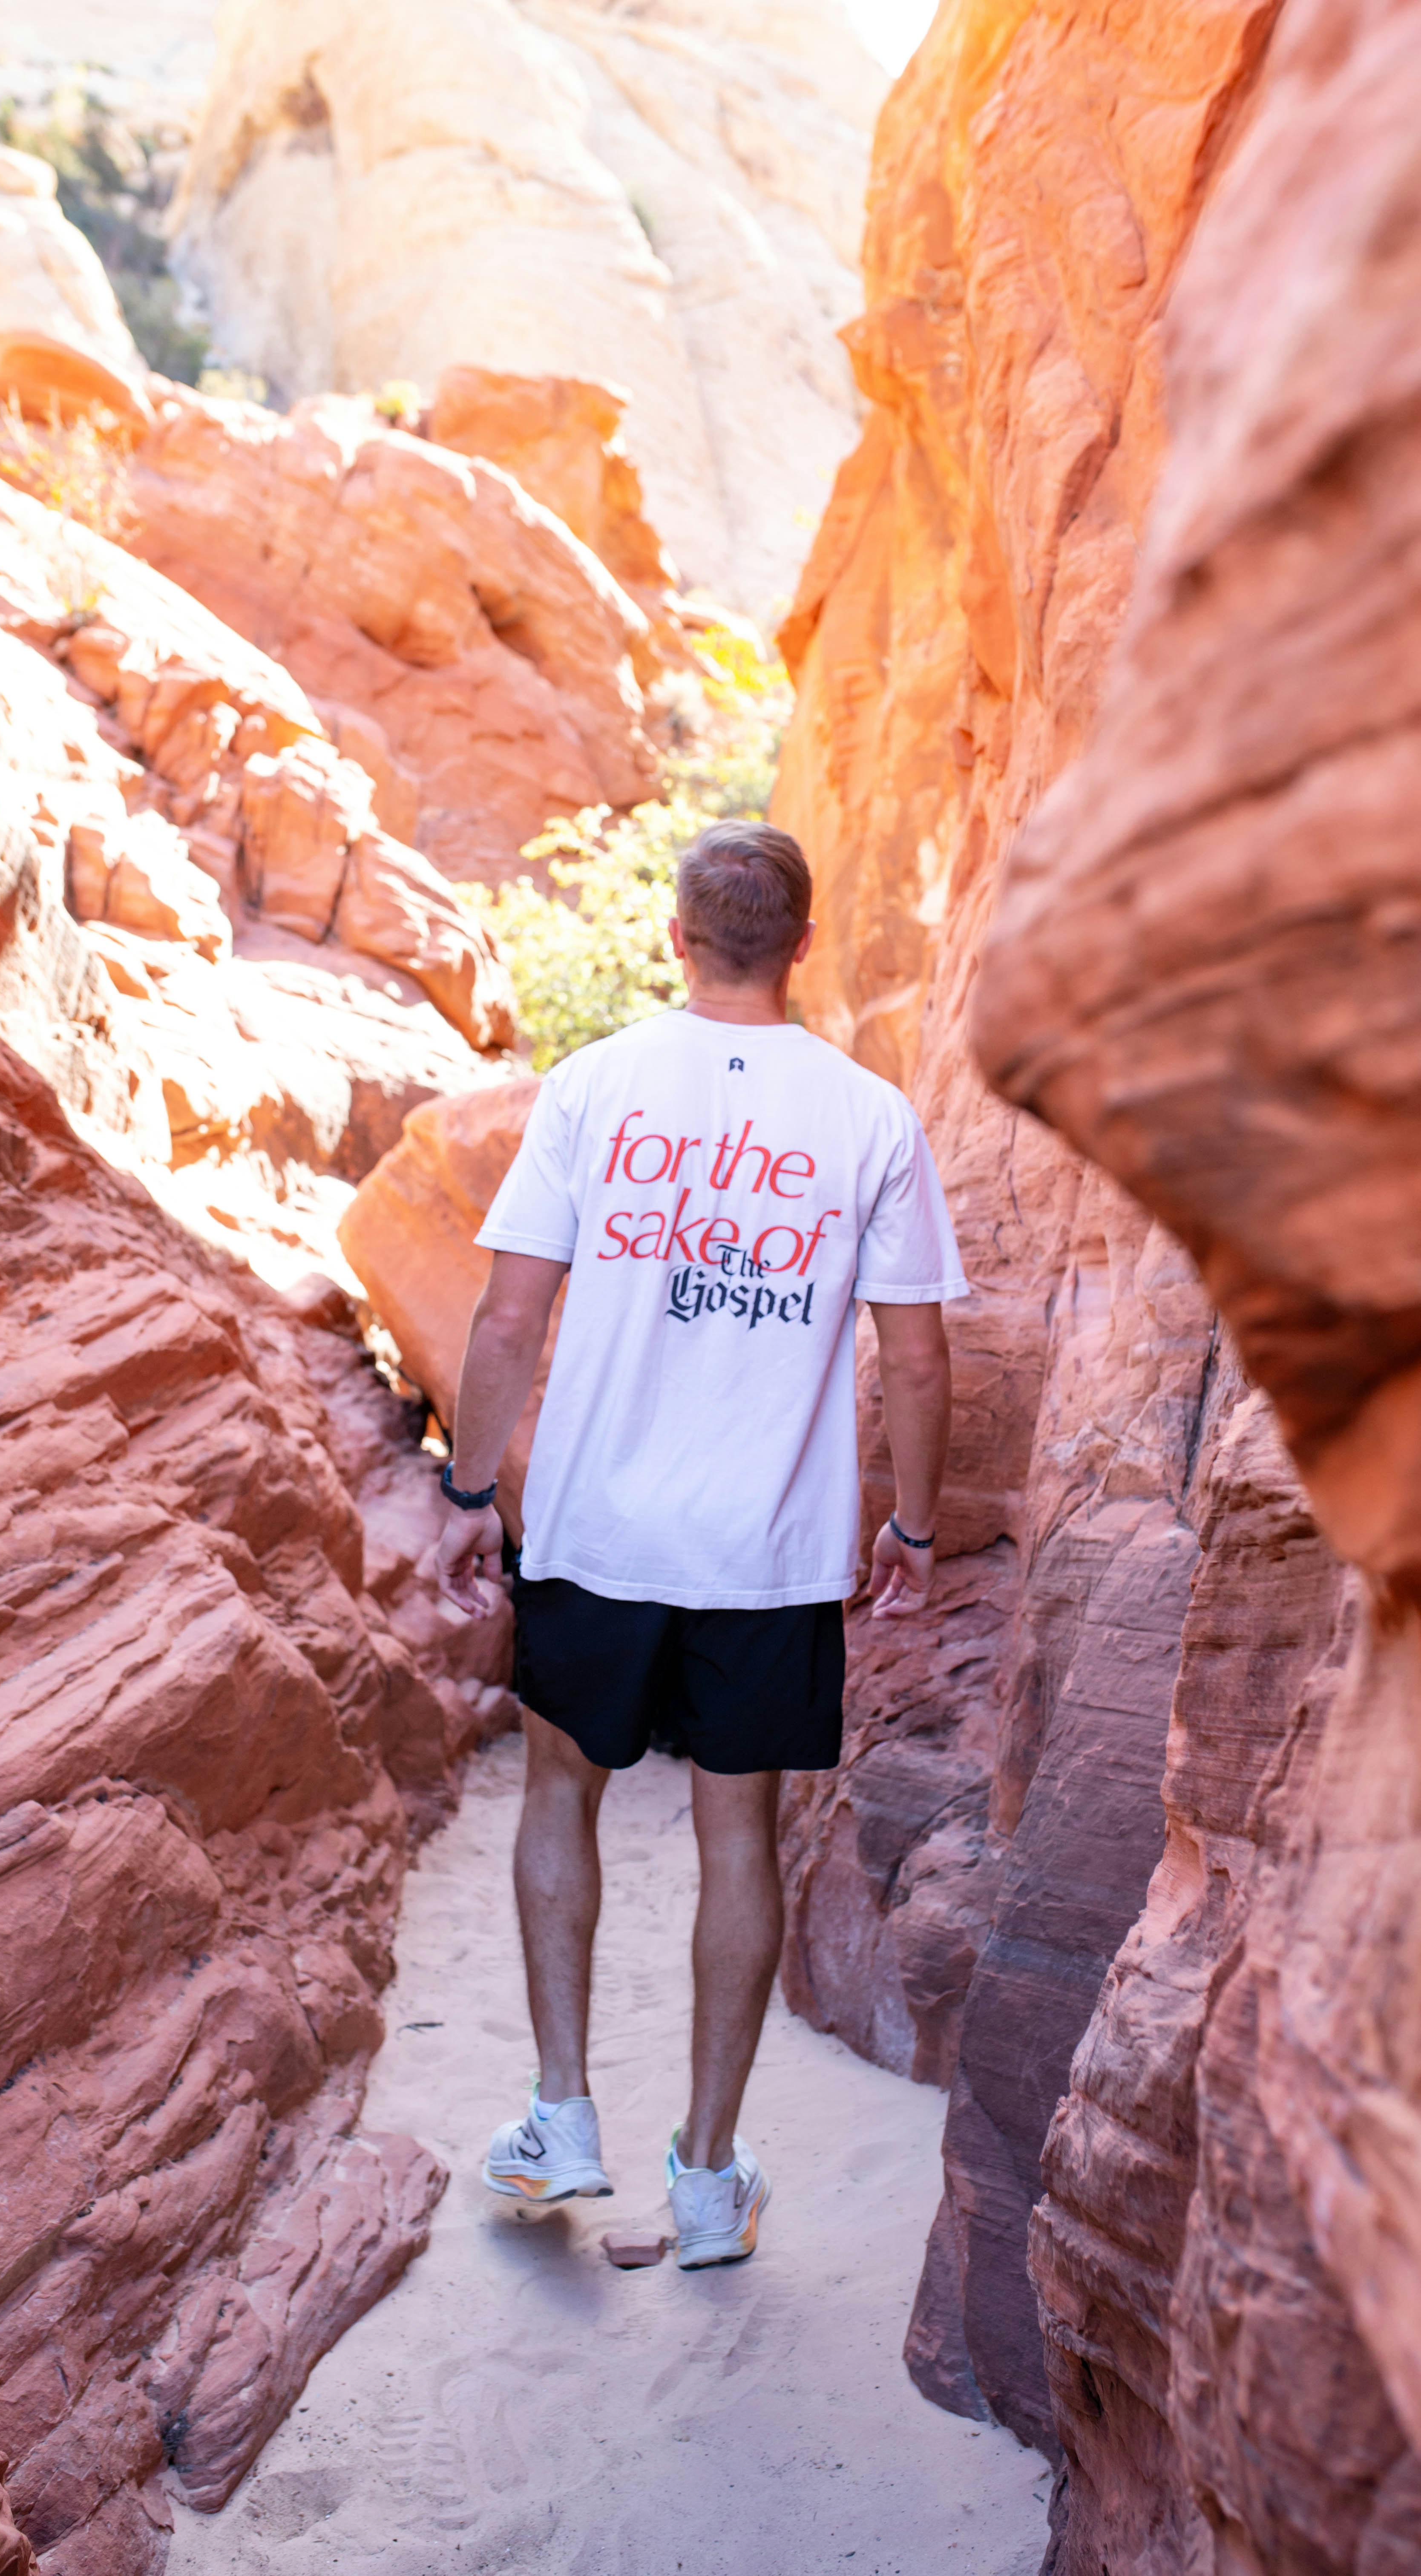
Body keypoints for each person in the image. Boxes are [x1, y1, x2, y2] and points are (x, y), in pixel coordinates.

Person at [433, 818, 966, 2269]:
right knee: (742, 1834)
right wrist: (915, 1525)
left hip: (599, 1533)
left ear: (675, 937)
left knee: (562, 1792)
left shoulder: (592, 1086)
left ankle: (562, 2115)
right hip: (767, 1550)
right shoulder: (870, 1117)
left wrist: (472, 1494)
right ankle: (712, 2179)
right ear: (805, 945)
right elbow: (920, 1360)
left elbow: (508, 1317)